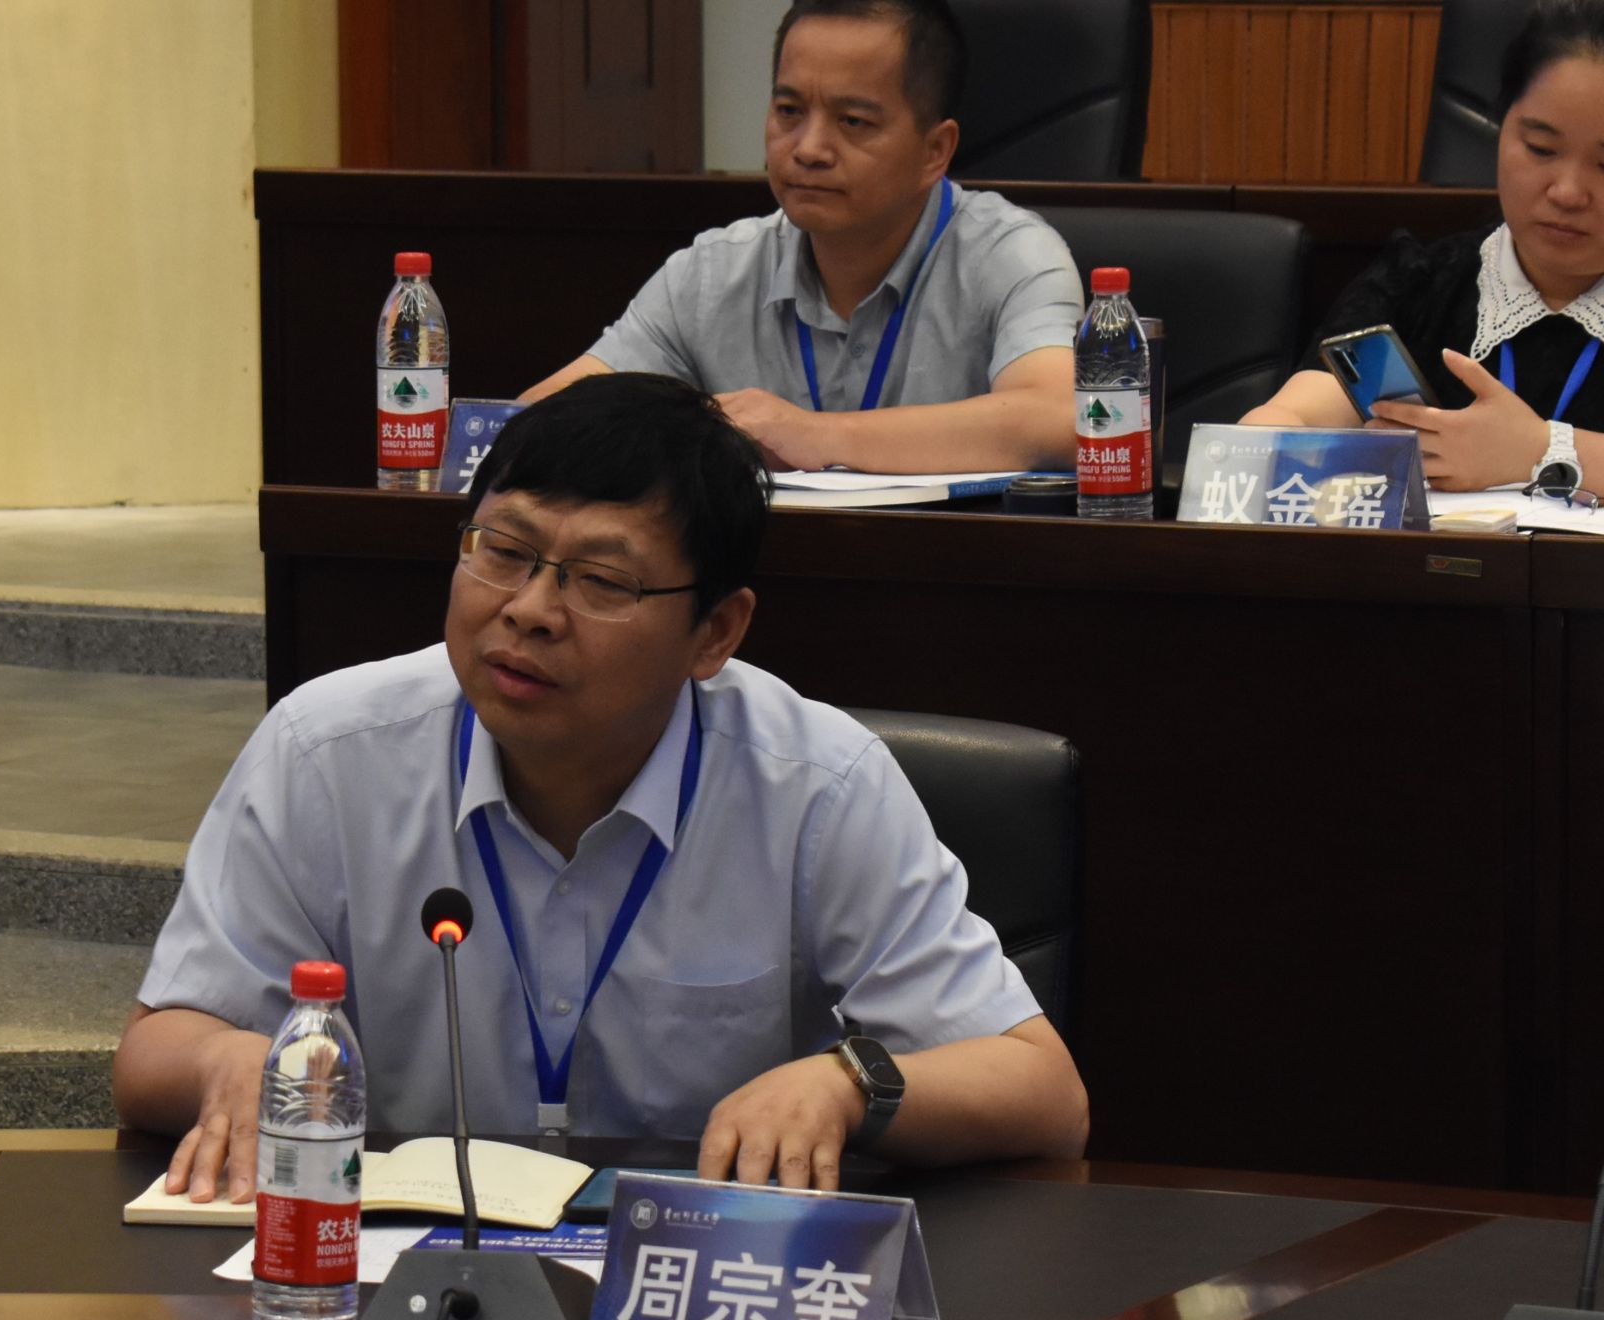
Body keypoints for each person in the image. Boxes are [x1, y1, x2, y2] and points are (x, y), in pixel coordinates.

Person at [114, 373, 1088, 1204]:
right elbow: (156, 1051)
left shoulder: (815, 786)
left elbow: (1043, 1095)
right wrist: (225, 1058)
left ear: (715, 633)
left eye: (601, 582)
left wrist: (847, 1084)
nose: (530, 611)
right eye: (503, 552)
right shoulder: (328, 751)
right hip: (406, 1283)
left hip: (690, 1298)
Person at [519, 0, 1080, 476]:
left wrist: (816, 435)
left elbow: (1066, 420)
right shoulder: (711, 274)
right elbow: (537, 420)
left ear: (935, 151)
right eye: (789, 110)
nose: (808, 148)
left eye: (853, 121)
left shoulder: (1011, 256)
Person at [1243, 0, 1604, 495]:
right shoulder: (1418, 281)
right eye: (1541, 149)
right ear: (1501, 129)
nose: (1567, 192)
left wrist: (1543, 451)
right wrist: (1266, 439)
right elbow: (1298, 415)